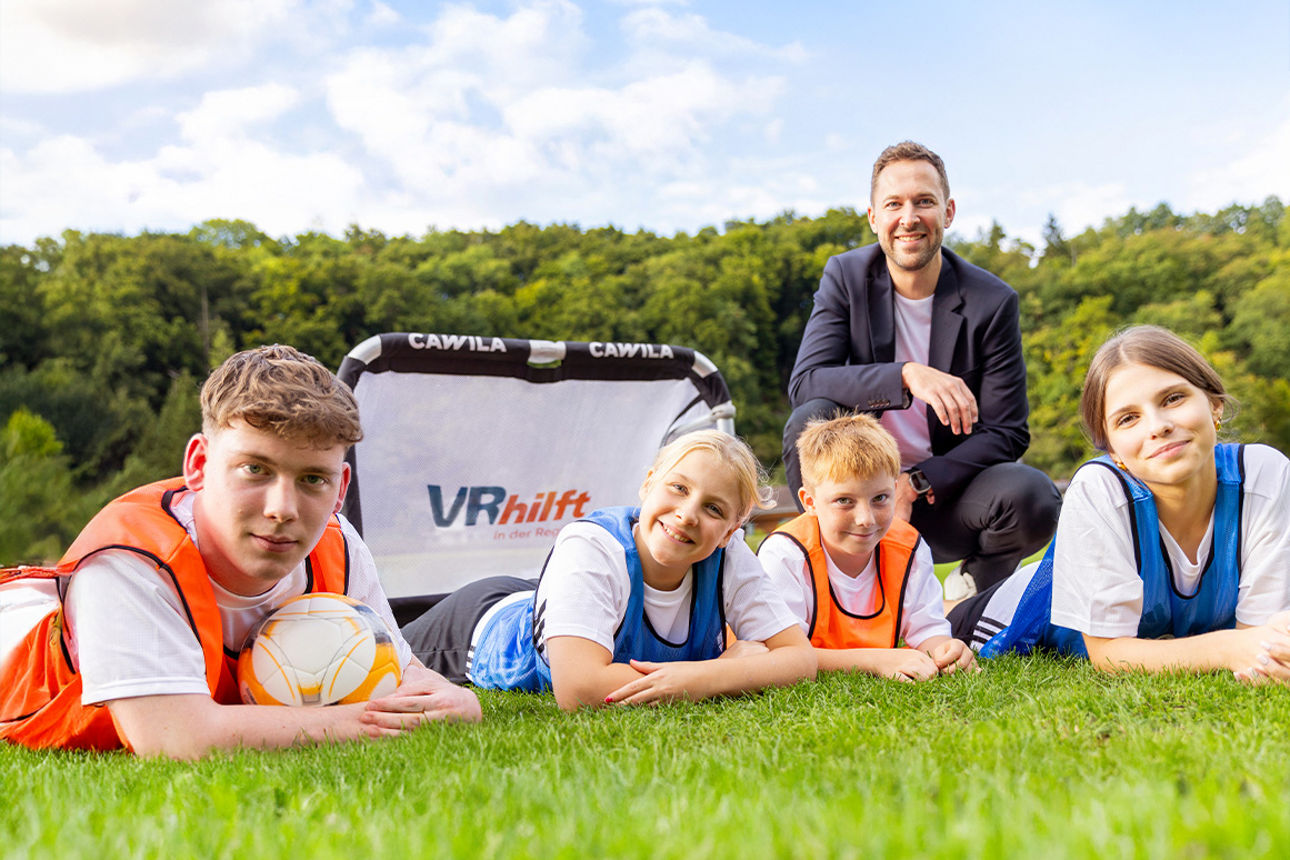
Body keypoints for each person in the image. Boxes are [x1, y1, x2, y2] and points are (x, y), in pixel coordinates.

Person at [0, 345, 481, 758]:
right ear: (199, 465)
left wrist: (456, 701)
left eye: (313, 479)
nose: (282, 508)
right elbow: (174, 736)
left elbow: (407, 677)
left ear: (341, 489)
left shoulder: (339, 544)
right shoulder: (130, 561)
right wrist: (371, 723)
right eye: (255, 469)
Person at [783, 141, 1061, 598]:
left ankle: (968, 592)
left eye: (924, 202)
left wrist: (915, 482)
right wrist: (906, 375)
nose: (908, 217)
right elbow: (807, 382)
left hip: (943, 496)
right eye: (893, 203)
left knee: (1032, 495)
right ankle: (826, 584)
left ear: (948, 212)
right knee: (808, 418)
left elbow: (1008, 431)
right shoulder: (845, 277)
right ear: (874, 217)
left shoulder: (993, 301)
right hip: (859, 493)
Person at [949, 326, 1290, 684]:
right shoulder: (1099, 489)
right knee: (942, 621)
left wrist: (1259, 652)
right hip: (1038, 603)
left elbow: (1260, 637)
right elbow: (1109, 653)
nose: (1158, 427)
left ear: (1214, 404)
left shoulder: (1264, 474)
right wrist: (1228, 649)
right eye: (1128, 418)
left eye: (1173, 398)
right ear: (1113, 451)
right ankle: (946, 595)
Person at [402, 430, 817, 710]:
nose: (688, 514)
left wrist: (704, 677)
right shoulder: (592, 545)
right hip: (477, 626)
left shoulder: (730, 555)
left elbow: (800, 661)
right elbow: (579, 689)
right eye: (678, 488)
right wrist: (725, 671)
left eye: (713, 509)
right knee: (375, 661)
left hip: (562, 602)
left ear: (729, 531)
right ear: (648, 484)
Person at [759, 413, 976, 681]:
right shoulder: (785, 556)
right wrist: (875, 660)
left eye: (880, 498)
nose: (866, 519)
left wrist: (946, 651)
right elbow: (780, 654)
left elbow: (928, 631)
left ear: (896, 491)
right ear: (810, 502)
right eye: (844, 501)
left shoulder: (909, 547)